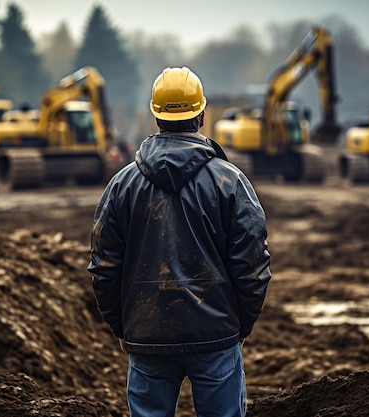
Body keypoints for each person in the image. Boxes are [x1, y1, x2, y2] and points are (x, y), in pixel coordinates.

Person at [88, 66, 271, 417]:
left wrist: (122, 326)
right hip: (216, 333)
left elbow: (103, 265)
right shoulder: (230, 182)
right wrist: (240, 325)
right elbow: (252, 264)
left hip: (148, 336)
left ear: (155, 117)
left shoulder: (122, 186)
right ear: (202, 116)